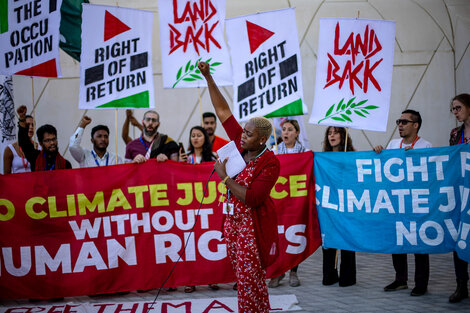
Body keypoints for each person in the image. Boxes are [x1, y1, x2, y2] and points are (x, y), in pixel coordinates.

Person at [199, 61, 280, 313]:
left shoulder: (270, 162)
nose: (243, 136)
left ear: (262, 139)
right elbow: (222, 110)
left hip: (252, 224)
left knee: (249, 277)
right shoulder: (239, 143)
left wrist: (224, 177)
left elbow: (253, 198)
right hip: (232, 221)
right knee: (244, 278)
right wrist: (208, 77)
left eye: (249, 134)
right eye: (244, 131)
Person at [374, 109, 432, 296]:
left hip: (416, 202)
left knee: (419, 243)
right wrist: (379, 152)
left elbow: (431, 173)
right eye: (399, 121)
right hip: (397, 201)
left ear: (415, 125)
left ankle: (421, 283)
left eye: (404, 122)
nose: (400, 124)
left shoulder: (426, 146)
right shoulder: (392, 144)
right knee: (397, 240)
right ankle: (401, 280)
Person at [268, 119, 309, 288]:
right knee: (278, 236)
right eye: (283, 129)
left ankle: (294, 271)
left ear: (297, 133)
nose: (285, 132)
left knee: (295, 235)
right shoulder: (274, 151)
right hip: (279, 200)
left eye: (290, 129)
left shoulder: (305, 152)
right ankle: (278, 271)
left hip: (296, 200)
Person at [179, 125, 218, 293]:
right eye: (193, 135)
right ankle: (191, 280)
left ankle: (212, 278)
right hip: (190, 205)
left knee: (210, 243)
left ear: (205, 139)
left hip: (209, 205)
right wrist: (179, 165)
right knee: (192, 245)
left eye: (199, 135)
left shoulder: (214, 157)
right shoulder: (184, 158)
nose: (195, 138)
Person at [321, 126, 357, 287]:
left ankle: (348, 277)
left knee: (347, 238)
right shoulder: (322, 158)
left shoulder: (352, 157)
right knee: (328, 239)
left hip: (347, 203)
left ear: (343, 136)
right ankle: (330, 274)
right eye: (329, 133)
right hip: (328, 204)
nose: (332, 136)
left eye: (335, 132)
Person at [448, 93, 470, 303]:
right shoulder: (456, 133)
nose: (455, 112)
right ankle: (461, 285)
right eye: (453, 109)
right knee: (459, 236)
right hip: (461, 192)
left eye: (458, 107)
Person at [16, 106, 72, 171]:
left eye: (54, 139)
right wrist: (22, 118)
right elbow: (24, 143)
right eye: (48, 140)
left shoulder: (66, 165)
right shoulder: (35, 158)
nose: (52, 143)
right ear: (41, 143)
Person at [3, 107, 37, 174]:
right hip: (17, 184)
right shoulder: (10, 149)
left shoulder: (39, 147)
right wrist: (22, 118)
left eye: (33, 125)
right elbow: (6, 177)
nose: (30, 127)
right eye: (27, 125)